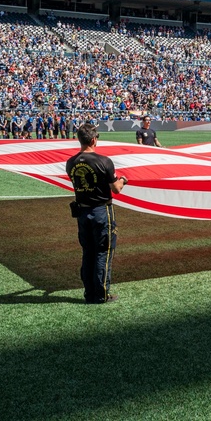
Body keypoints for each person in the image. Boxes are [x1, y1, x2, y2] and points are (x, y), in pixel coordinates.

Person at [66, 123, 128, 305]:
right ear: (94, 140)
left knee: (88, 253)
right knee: (103, 252)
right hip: (102, 212)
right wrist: (124, 179)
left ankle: (89, 293)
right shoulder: (104, 161)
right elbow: (116, 188)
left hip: (83, 213)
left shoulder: (71, 163)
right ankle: (101, 295)